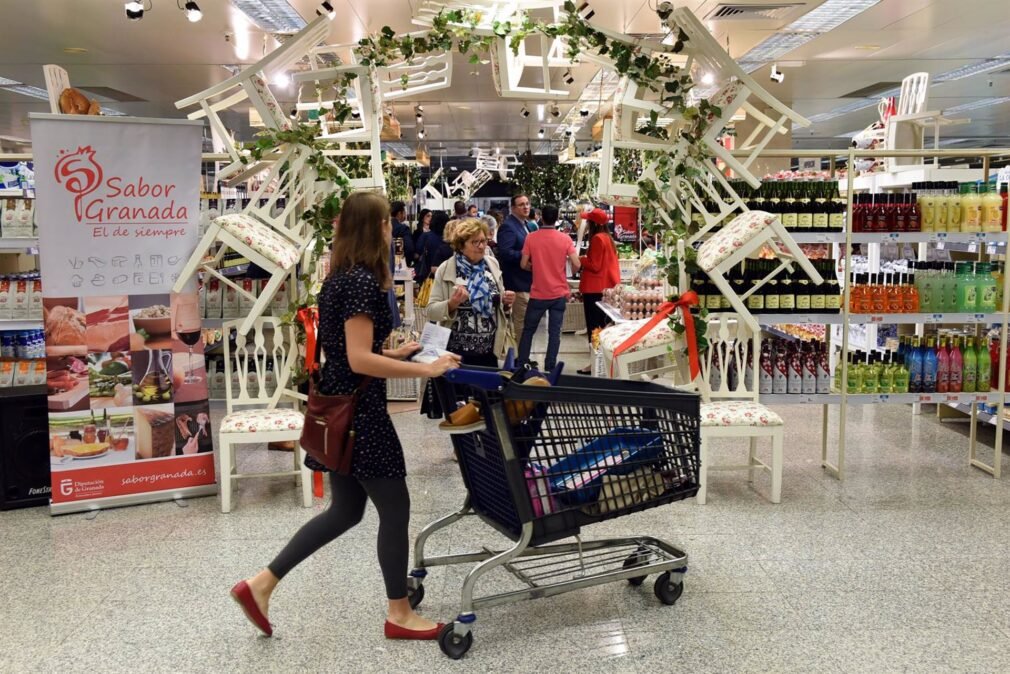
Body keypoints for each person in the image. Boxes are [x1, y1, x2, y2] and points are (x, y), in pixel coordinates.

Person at [230, 192, 460, 642]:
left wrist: (396, 352)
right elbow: (358, 359)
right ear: (371, 228)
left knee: (346, 511)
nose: (391, 230)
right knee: (395, 509)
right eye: (385, 223)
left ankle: (261, 585)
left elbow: (347, 350)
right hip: (362, 414)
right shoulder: (359, 283)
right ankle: (399, 613)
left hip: (341, 407)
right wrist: (423, 367)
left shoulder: (340, 278)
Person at [428, 218, 515, 367]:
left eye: (484, 241)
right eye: (475, 242)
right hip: (455, 354)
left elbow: (499, 307)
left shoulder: (491, 265)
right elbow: (431, 311)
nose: (482, 246)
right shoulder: (447, 269)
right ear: (461, 245)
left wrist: (506, 303)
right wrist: (452, 303)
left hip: (488, 352)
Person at [517, 204, 581, 372]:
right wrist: (567, 273)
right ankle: (550, 366)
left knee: (528, 330)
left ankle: (522, 363)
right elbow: (577, 263)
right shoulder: (565, 239)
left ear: (541, 217)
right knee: (554, 333)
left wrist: (537, 268)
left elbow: (523, 264)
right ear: (557, 217)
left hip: (538, 293)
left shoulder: (531, 238)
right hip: (559, 293)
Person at [577, 208, 620, 374]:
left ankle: (595, 363)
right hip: (606, 287)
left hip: (594, 289)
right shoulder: (608, 238)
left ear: (593, 223)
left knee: (594, 328)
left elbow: (594, 265)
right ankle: (604, 362)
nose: (586, 224)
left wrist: (580, 259)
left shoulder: (597, 239)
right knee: (604, 327)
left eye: (588, 221)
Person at [497, 194, 536, 343]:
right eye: (521, 205)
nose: (526, 207)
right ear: (513, 208)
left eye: (527, 204)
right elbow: (505, 253)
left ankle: (524, 355)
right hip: (516, 282)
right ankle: (521, 358)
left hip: (526, 281)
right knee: (520, 323)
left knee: (526, 322)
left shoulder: (525, 225)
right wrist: (527, 254)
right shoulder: (508, 226)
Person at [416, 211, 450, 283]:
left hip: (428, 277)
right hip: (447, 277)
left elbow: (417, 253)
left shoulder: (425, 236)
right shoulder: (450, 239)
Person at [389, 201, 415, 270]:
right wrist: (408, 263)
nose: (405, 214)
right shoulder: (403, 229)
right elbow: (409, 248)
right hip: (400, 267)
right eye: (404, 212)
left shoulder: (382, 227)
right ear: (399, 213)